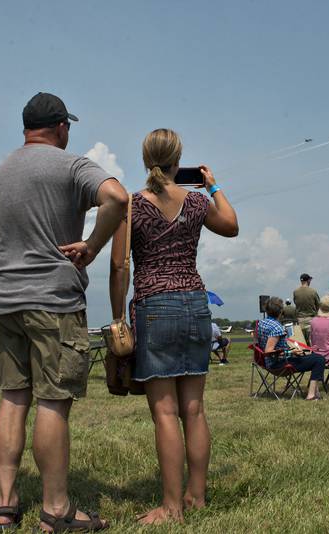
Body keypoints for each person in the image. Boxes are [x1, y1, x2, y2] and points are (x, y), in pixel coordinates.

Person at [0, 92, 126, 532]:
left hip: (4, 303)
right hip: (52, 301)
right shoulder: (72, 166)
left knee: (12, 400)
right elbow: (117, 198)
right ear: (61, 127)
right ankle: (56, 510)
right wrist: (92, 244)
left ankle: (6, 507)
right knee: (52, 401)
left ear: (26, 128)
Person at [109, 128, 238, 524]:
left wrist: (118, 317)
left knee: (165, 413)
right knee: (194, 410)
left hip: (154, 305)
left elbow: (119, 266)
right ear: (178, 159)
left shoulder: (130, 206)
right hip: (196, 302)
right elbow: (231, 225)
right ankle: (196, 497)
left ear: (145, 158)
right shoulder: (198, 201)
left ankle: (171, 508)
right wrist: (214, 186)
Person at [257, 297, 325, 399]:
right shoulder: (276, 327)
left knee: (314, 356)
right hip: (279, 364)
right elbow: (269, 351)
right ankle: (312, 395)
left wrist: (291, 351)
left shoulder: (261, 323)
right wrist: (291, 352)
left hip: (267, 362)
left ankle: (315, 392)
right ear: (280, 312)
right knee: (319, 359)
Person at [293, 273, 320, 344]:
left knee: (302, 344)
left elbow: (296, 303)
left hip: (300, 320)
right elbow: (318, 305)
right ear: (308, 280)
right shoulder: (313, 291)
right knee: (312, 343)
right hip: (311, 320)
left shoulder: (295, 292)